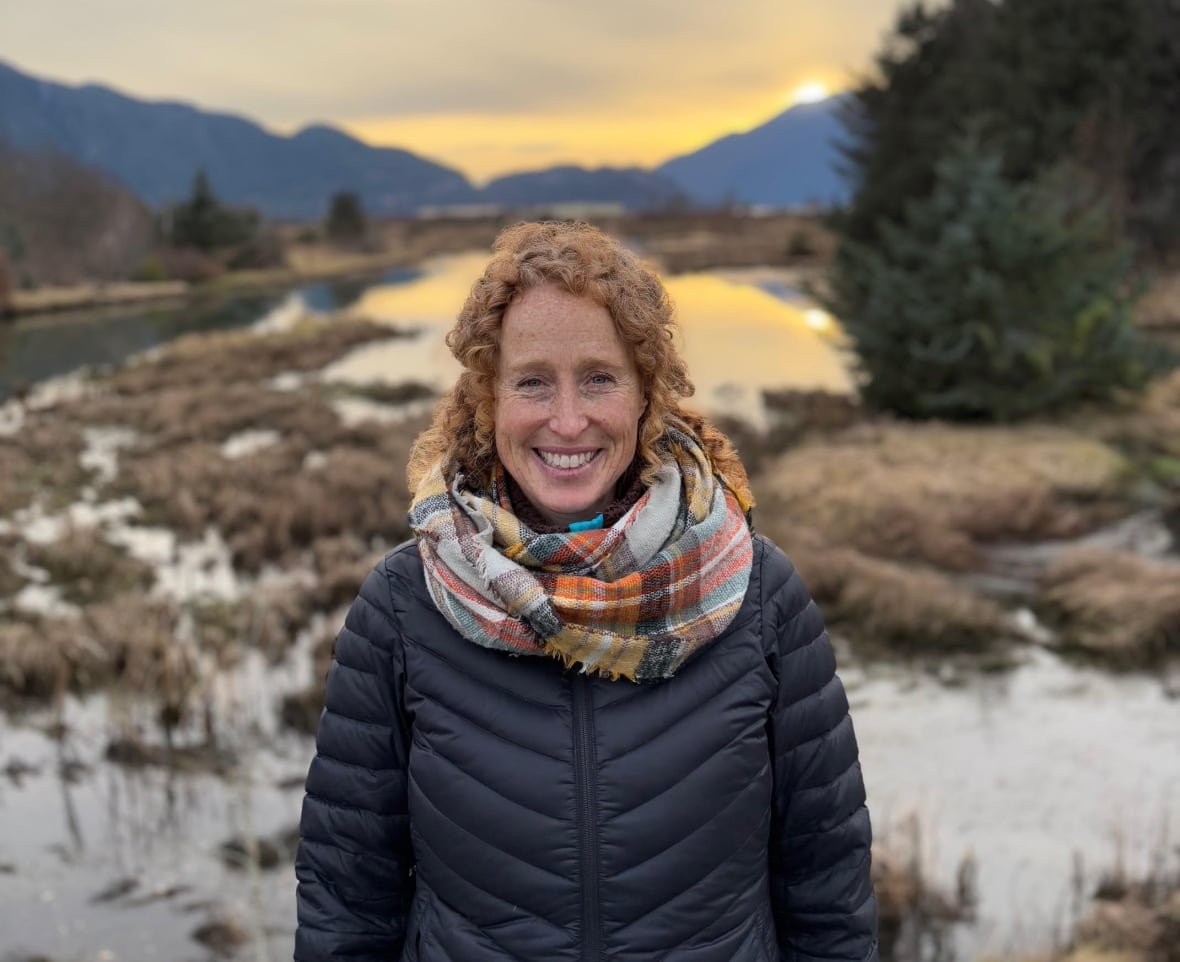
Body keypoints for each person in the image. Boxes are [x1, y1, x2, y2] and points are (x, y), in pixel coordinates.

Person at [294, 221, 878, 961]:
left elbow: (827, 882)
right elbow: (347, 895)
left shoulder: (758, 595)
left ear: (644, 395)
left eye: (599, 378)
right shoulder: (404, 608)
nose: (567, 421)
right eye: (532, 381)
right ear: (488, 398)